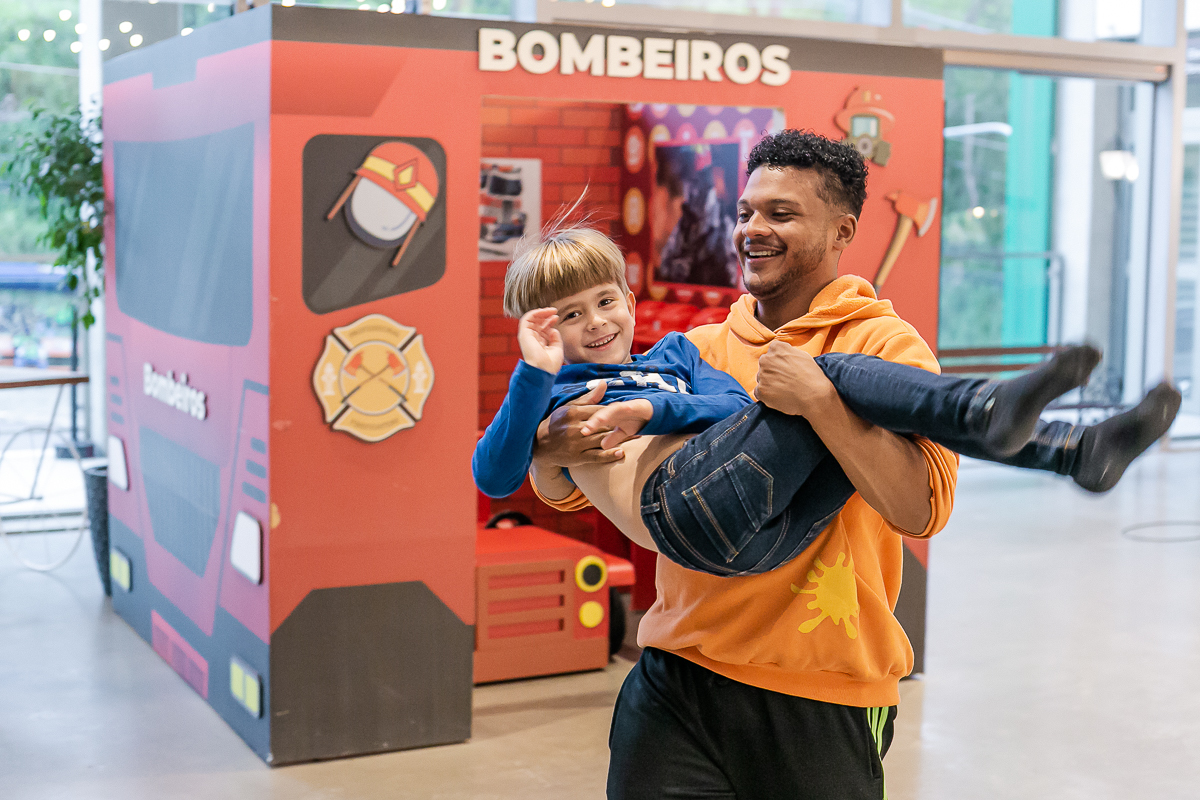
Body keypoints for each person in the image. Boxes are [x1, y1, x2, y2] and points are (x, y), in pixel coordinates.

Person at [526, 130, 1180, 800]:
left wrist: (822, 408)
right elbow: (578, 491)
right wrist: (547, 453)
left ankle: (1056, 440)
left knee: (837, 381)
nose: (754, 229)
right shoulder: (696, 349)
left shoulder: (884, 342)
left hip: (823, 690)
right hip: (678, 671)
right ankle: (1045, 437)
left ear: (842, 232)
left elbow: (921, 509)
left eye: (781, 214)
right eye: (748, 211)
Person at [473, 227, 1179, 576]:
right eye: (568, 316)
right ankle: (1002, 421)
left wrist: (648, 411)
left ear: (628, 300)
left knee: (830, 396)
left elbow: (728, 409)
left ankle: (1078, 452)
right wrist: (532, 377)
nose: (596, 324)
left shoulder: (676, 357)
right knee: (832, 373)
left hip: (764, 541)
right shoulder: (553, 391)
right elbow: (494, 475)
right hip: (679, 512)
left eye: (604, 302)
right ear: (541, 330)